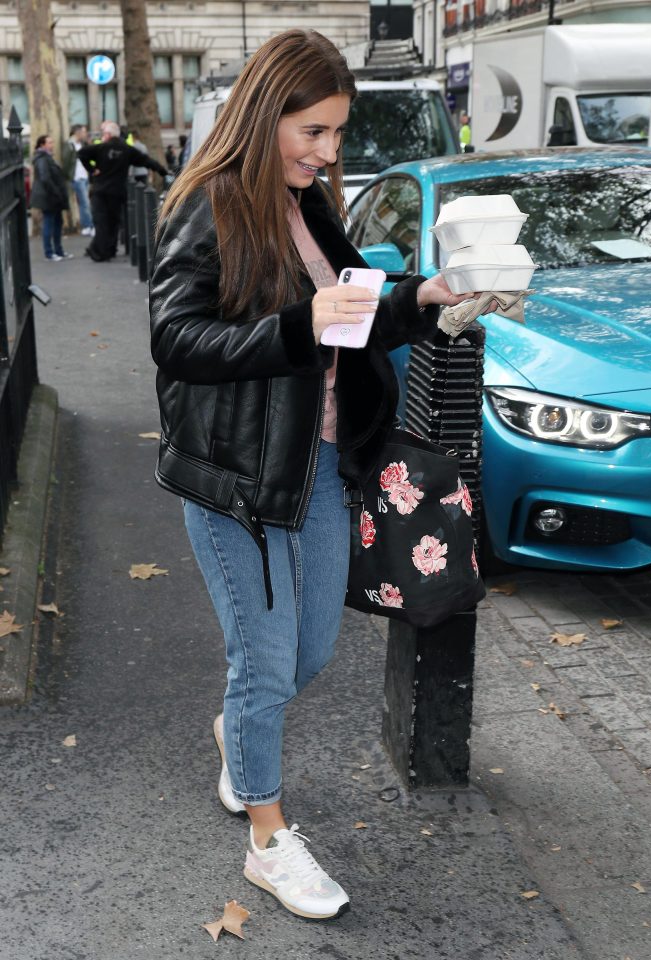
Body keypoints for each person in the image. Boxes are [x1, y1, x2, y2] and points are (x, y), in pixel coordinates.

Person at [149, 29, 493, 923]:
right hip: (238, 485)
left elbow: (351, 312)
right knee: (265, 665)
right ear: (267, 115)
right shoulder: (210, 202)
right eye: (314, 131)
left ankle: (241, 732)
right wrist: (298, 327)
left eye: (338, 133)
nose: (329, 151)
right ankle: (268, 839)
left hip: (322, 471)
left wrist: (425, 296)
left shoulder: (307, 204)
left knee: (309, 655)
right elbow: (175, 340)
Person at [78, 120, 167, 262]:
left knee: (101, 221)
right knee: (114, 221)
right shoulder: (127, 149)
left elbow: (82, 153)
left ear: (107, 134)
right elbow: (146, 161)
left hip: (100, 190)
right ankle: (110, 249)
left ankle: (100, 252)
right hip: (117, 191)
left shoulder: (100, 148)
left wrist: (92, 169)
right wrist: (163, 171)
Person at [31, 135, 73, 262]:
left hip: (53, 197)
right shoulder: (42, 158)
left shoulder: (47, 157)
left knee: (57, 223)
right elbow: (45, 178)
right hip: (48, 197)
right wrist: (56, 192)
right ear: (42, 145)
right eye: (49, 142)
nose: (52, 145)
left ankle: (58, 250)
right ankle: (49, 253)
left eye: (52, 142)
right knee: (49, 223)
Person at [62, 124, 95, 236]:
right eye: (84, 132)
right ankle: (89, 226)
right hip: (77, 177)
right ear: (77, 132)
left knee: (83, 203)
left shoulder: (83, 144)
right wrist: (69, 176)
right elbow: (66, 162)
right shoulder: (69, 145)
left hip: (85, 176)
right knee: (85, 203)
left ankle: (86, 226)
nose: (85, 134)